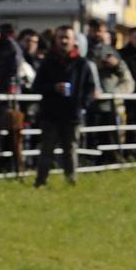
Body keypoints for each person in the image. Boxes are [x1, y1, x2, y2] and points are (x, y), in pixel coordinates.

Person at [32, 25, 93, 186]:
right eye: (60, 37)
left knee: (70, 149)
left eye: (67, 37)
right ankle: (40, 181)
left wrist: (82, 105)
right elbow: (36, 85)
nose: (64, 41)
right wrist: (53, 87)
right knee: (46, 149)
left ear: (74, 41)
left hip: (72, 114)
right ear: (55, 40)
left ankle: (71, 181)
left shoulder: (82, 64)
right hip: (50, 113)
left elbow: (90, 88)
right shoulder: (48, 62)